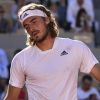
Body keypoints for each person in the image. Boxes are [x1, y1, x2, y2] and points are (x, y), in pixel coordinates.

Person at [4, 3, 100, 100]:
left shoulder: (75, 47)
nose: (31, 28)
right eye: (27, 26)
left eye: (34, 22)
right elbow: (11, 97)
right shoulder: (20, 59)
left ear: (47, 19)